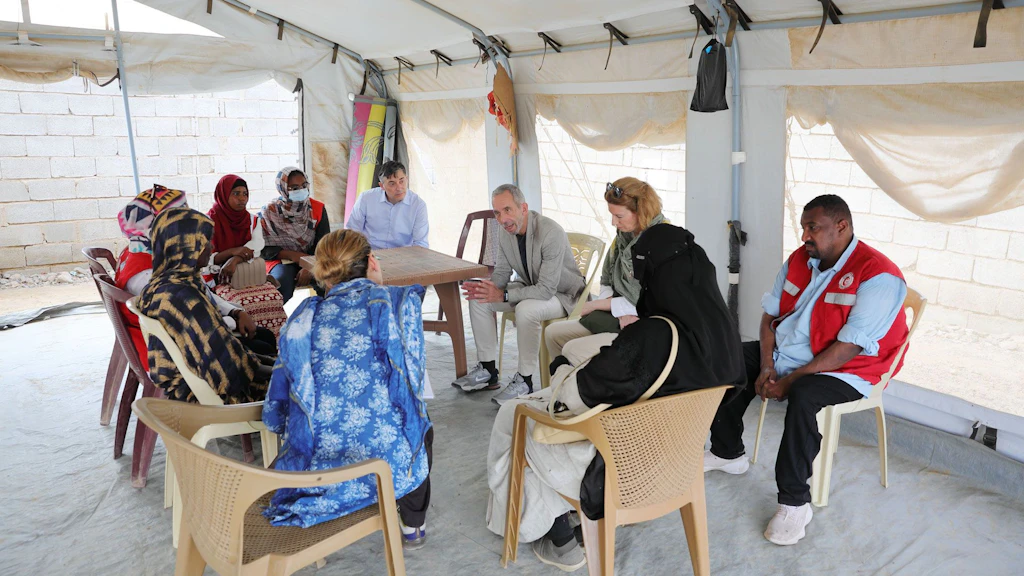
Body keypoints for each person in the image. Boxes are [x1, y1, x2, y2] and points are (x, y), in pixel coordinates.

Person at [485, 223, 744, 571]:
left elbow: (566, 405)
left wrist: (562, 368)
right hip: (677, 461)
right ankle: (562, 520)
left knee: (515, 417)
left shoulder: (653, 336)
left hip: (625, 467)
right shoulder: (724, 331)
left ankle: (551, 534)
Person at [704, 194, 908, 546]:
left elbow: (849, 348)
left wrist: (790, 379)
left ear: (841, 226)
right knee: (724, 360)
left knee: (805, 395)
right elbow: (770, 316)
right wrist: (768, 365)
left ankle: (794, 502)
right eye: (803, 228)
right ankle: (727, 452)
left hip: (850, 368)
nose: (804, 237)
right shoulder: (801, 259)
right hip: (789, 354)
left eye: (813, 227)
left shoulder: (878, 275)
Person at [262, 229, 433, 550]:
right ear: (372, 261)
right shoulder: (400, 303)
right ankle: (413, 525)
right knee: (420, 425)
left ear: (325, 274)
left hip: (319, 477)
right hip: (386, 471)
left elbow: (275, 412)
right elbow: (413, 387)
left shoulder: (303, 318)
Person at [452, 184, 585, 406]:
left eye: (507, 210)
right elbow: (502, 272)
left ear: (523, 208)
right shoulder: (505, 232)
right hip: (530, 287)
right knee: (479, 297)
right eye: (497, 213)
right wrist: (490, 289)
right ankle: (487, 370)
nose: (502, 219)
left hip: (563, 295)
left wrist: (503, 295)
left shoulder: (551, 232)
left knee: (525, 309)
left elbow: (545, 289)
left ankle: (525, 380)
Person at [115, 186, 276, 366]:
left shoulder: (152, 252)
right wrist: (233, 321)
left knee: (264, 339)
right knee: (263, 347)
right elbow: (190, 325)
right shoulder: (148, 275)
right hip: (175, 352)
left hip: (188, 337)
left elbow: (201, 291)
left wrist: (236, 311)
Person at [138, 207, 272, 404]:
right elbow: (230, 374)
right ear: (188, 246)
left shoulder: (163, 284)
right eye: (205, 241)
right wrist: (279, 371)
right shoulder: (184, 298)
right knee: (309, 382)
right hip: (208, 394)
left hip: (193, 382)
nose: (210, 248)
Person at [544, 177, 665, 360]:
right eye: (612, 215)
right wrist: (616, 308)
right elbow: (607, 277)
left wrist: (596, 305)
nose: (613, 222)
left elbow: (646, 299)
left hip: (645, 324)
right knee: (552, 333)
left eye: (619, 216)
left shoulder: (662, 242)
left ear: (641, 211)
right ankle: (559, 385)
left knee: (572, 349)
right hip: (618, 316)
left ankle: (577, 386)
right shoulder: (623, 237)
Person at [207, 174, 288, 336]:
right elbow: (207, 259)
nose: (242, 199)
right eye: (235, 193)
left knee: (273, 298)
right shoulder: (209, 221)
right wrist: (232, 252)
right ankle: (246, 341)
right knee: (241, 303)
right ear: (223, 195)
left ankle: (276, 342)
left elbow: (256, 247)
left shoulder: (251, 220)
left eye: (245, 194)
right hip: (216, 277)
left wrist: (235, 259)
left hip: (245, 275)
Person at [261, 166, 330, 303]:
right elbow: (263, 249)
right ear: (283, 189)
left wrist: (309, 265)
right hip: (281, 259)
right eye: (294, 188)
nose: (301, 190)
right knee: (281, 282)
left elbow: (323, 243)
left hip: (313, 257)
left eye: (304, 185)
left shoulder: (317, 208)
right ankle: (277, 320)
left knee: (328, 280)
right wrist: (292, 255)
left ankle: (327, 314)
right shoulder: (270, 211)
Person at [345, 160, 429, 250]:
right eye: (392, 183)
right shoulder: (366, 198)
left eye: (402, 181)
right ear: (382, 186)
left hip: (402, 256)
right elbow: (352, 233)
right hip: (370, 253)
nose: (399, 188)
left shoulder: (418, 205)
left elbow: (420, 244)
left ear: (407, 179)